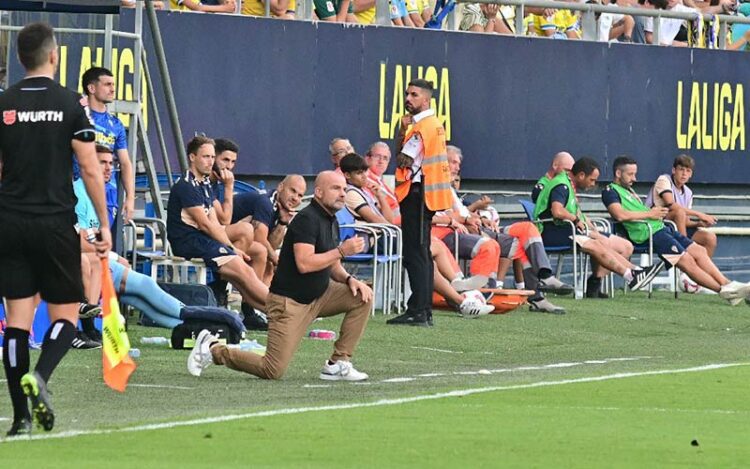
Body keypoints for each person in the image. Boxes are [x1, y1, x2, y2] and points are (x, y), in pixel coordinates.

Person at [0, 22, 111, 436]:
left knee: (17, 321)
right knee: (66, 312)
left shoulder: (4, 102)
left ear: (19, 58)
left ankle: (19, 419)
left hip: (10, 222)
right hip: (53, 222)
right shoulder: (69, 103)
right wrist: (103, 222)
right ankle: (42, 376)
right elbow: (88, 166)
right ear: (54, 55)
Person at [188, 171, 373, 381]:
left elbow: (333, 266)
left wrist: (350, 279)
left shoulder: (331, 219)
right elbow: (304, 263)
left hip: (320, 295)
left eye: (344, 188)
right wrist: (341, 251)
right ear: (319, 193)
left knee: (363, 296)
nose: (342, 193)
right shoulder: (307, 219)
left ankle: (338, 363)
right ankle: (212, 349)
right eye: (336, 188)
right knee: (272, 370)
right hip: (290, 303)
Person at [602, 156, 750, 304]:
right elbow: (619, 215)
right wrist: (650, 213)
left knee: (700, 251)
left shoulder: (630, 191)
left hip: (662, 227)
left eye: (635, 174)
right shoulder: (610, 191)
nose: (634, 178)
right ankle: (724, 291)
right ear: (618, 173)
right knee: (686, 260)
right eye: (630, 174)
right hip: (649, 234)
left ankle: (728, 284)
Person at [166, 136, 268, 315]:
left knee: (245, 274)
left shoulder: (204, 183)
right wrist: (231, 248)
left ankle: (269, 312)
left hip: (203, 240)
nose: (210, 162)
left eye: (212, 157)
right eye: (206, 157)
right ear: (192, 157)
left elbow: (216, 221)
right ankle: (282, 310)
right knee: (244, 272)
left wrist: (229, 249)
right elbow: (205, 225)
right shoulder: (186, 185)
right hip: (189, 241)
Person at [534, 156, 664, 296]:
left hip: (563, 229)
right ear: (581, 175)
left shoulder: (568, 183)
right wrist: (576, 220)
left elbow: (573, 210)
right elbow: (557, 211)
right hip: (548, 232)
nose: (593, 184)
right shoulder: (562, 185)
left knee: (600, 241)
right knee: (594, 244)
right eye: (592, 180)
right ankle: (630, 275)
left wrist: (589, 226)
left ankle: (635, 270)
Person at [387, 79, 454, 327]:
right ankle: (423, 310)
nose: (408, 99)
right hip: (425, 194)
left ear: (425, 99)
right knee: (421, 252)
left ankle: (418, 310)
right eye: (407, 94)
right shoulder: (434, 124)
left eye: (414, 95)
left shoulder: (422, 126)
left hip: (417, 193)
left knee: (415, 253)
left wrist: (400, 131)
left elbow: (403, 159)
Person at [78, 67, 136, 236]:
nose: (113, 89)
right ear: (92, 88)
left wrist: (130, 198)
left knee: (100, 241)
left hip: (108, 193)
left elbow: (125, 163)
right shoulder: (78, 117)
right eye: (107, 84)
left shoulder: (116, 124)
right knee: (85, 242)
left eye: (113, 84)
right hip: (81, 188)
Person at [231, 174, 307, 284]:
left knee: (268, 263)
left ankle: (258, 299)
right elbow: (260, 240)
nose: (295, 198)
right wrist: (279, 263)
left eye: (300, 196)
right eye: (293, 191)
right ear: (280, 187)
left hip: (240, 241)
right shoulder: (265, 202)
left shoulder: (279, 206)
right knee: (261, 253)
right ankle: (250, 298)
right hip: (221, 237)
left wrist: (282, 222)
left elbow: (271, 245)